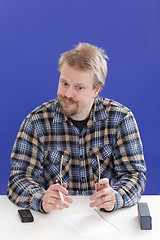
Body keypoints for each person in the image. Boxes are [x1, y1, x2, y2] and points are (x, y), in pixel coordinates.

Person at [7, 43, 146, 213]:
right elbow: (18, 179)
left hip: (105, 218)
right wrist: (41, 198)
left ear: (96, 90)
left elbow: (135, 175)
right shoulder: (36, 122)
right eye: (64, 83)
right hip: (55, 219)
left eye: (79, 87)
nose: (67, 94)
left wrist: (115, 197)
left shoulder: (120, 119)